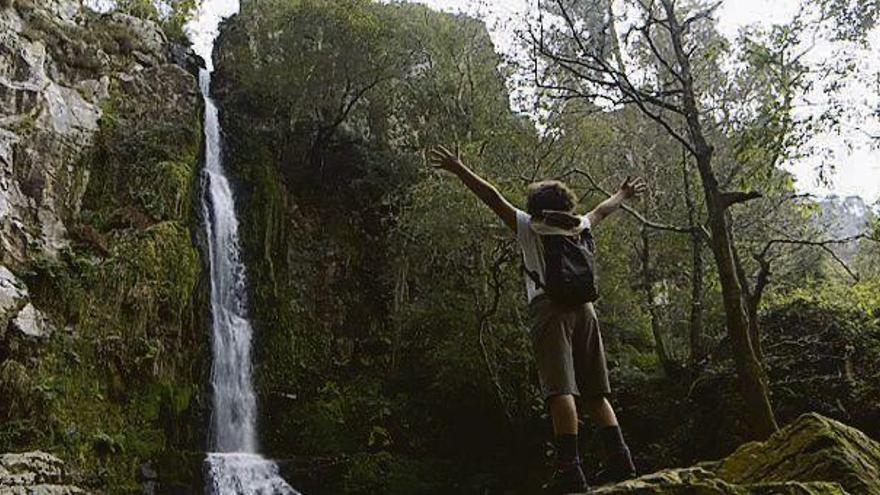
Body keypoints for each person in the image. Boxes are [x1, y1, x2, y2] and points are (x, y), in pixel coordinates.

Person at [427, 145, 646, 494]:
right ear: (567, 204)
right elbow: (604, 210)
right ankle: (621, 460)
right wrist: (623, 192)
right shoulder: (580, 225)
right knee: (594, 391)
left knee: (560, 389)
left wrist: (459, 169)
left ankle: (570, 471)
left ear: (536, 205)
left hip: (549, 309)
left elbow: (492, 196)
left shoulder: (530, 226)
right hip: (586, 310)